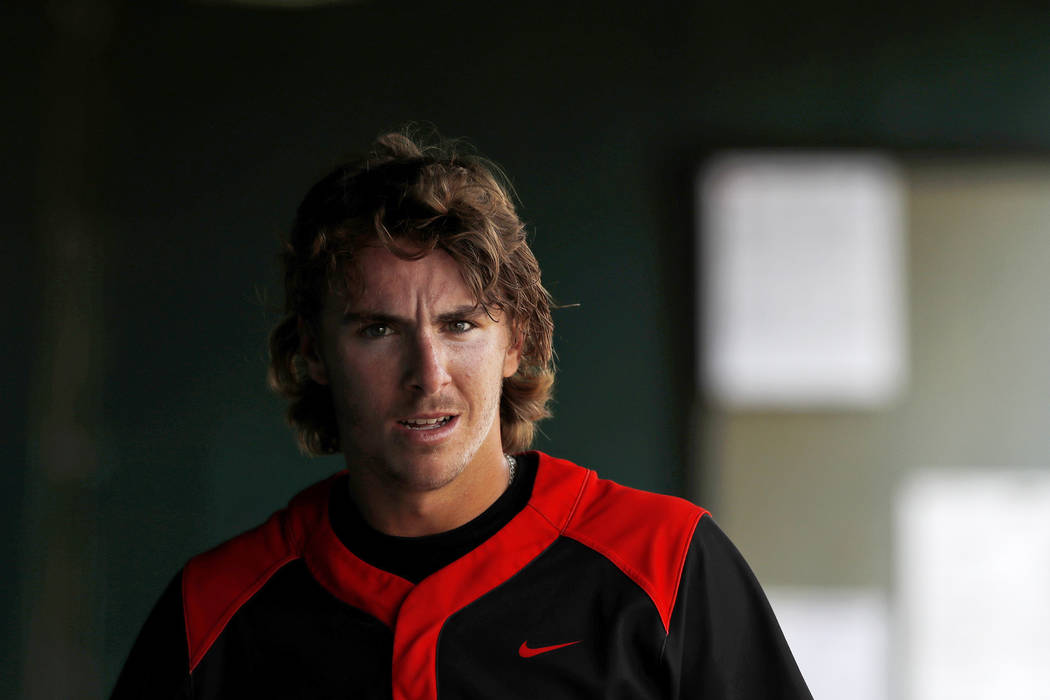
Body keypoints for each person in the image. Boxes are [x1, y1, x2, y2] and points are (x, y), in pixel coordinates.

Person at [112, 132, 812, 699]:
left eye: (461, 326)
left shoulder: (666, 564)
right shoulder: (216, 608)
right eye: (377, 331)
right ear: (314, 354)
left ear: (520, 342)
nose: (428, 376)